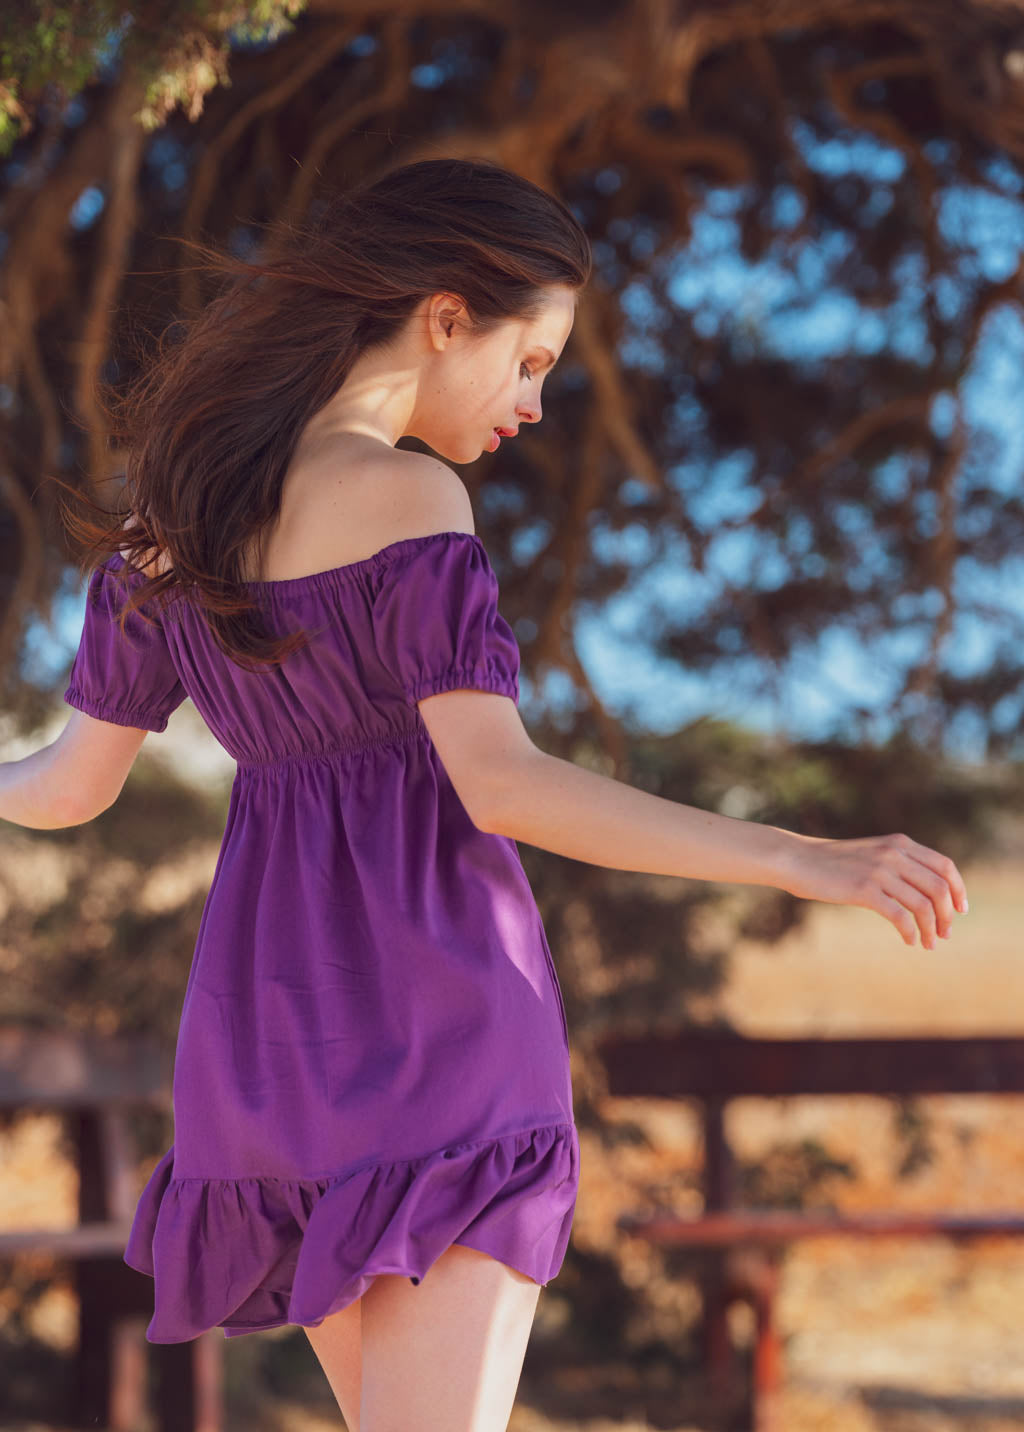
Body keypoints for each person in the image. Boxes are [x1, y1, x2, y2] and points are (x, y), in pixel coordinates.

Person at [11, 156, 966, 1432]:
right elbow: (502, 783)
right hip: (444, 1035)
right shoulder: (409, 495)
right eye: (529, 360)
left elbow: (67, 788)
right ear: (445, 313)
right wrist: (803, 855)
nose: (530, 404)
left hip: (266, 1061)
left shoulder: (161, 536)